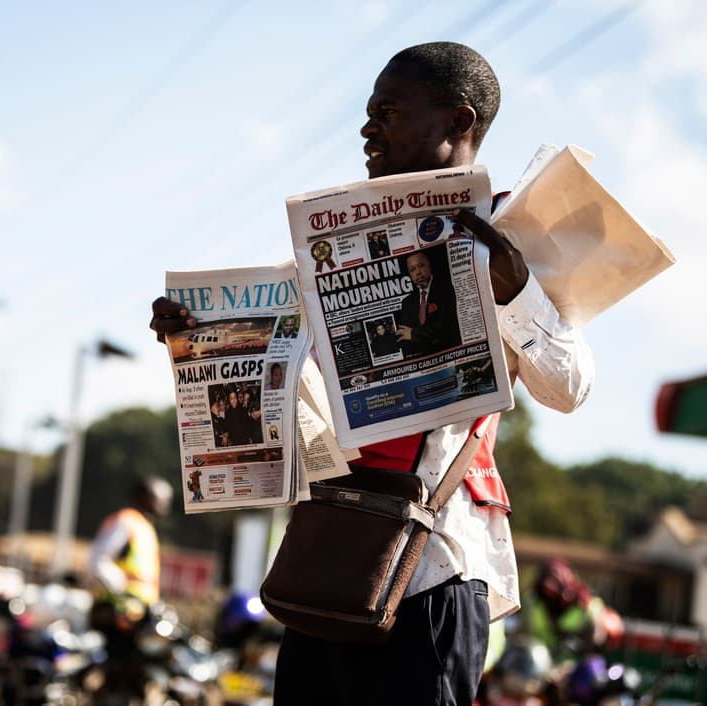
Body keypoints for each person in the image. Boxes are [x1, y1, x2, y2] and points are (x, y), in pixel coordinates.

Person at [150, 41, 594, 705]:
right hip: (326, 563)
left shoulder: (513, 235)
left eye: (387, 110)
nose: (367, 127)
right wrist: (202, 344)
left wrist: (515, 290)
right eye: (368, 112)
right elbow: (279, 413)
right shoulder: (327, 251)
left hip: (434, 567)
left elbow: (572, 388)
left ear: (458, 122)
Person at [87, 476, 174, 698]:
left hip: (139, 617)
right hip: (118, 616)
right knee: (117, 675)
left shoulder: (145, 527)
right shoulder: (127, 522)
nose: (166, 502)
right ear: (143, 496)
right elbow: (98, 560)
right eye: (160, 496)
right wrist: (122, 595)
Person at [395, 249, 462, 357]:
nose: (418, 272)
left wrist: (414, 334)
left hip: (449, 352)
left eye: (421, 265)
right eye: (412, 269)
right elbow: (403, 336)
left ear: (429, 265)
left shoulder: (446, 289)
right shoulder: (407, 302)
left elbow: (445, 325)